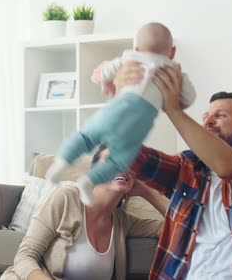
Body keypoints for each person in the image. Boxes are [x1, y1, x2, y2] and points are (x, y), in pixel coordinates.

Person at [114, 61, 232, 279]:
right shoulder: (188, 166)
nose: (208, 121)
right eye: (206, 116)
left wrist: (174, 110)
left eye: (221, 115)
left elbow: (227, 166)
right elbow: (139, 160)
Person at [47, 22, 196, 206]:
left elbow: (106, 70)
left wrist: (106, 83)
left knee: (86, 136)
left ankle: (59, 166)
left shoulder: (130, 58)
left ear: (136, 48)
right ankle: (89, 181)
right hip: (137, 125)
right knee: (119, 161)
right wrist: (175, 102)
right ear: (172, 52)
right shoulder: (174, 72)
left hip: (115, 110)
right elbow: (190, 97)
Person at [0, 145, 169, 280]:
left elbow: (181, 226)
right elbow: (24, 257)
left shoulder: (124, 222)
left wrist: (148, 192)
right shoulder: (66, 197)